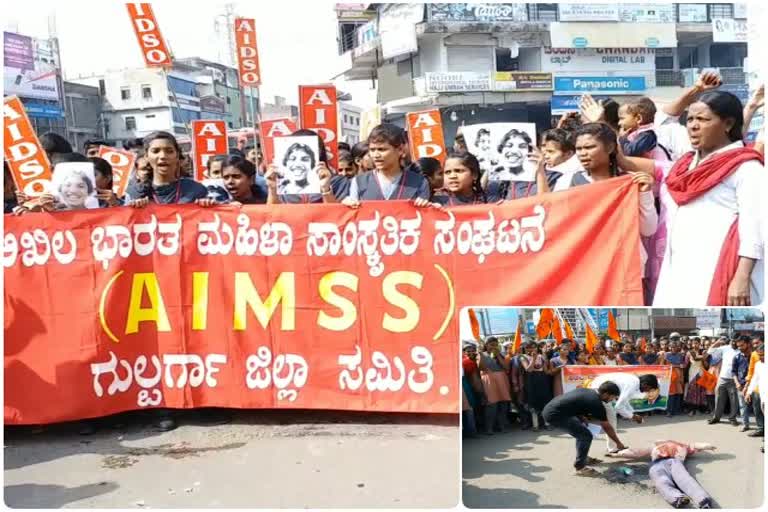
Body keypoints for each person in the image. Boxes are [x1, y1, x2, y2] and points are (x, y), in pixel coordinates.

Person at [654, 91, 764, 307]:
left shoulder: (747, 169)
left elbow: (755, 229)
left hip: (719, 268)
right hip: (679, 268)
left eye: (703, 119)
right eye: (691, 119)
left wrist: (741, 277)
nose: (693, 126)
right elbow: (661, 121)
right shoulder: (683, 166)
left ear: (728, 124)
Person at [542, 383, 627, 476]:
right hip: (555, 415)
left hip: (552, 409)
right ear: (606, 394)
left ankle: (584, 458)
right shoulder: (596, 403)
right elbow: (606, 426)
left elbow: (573, 402)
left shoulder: (588, 392)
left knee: (582, 433)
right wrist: (618, 443)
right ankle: (580, 467)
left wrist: (581, 417)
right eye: (613, 397)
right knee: (585, 436)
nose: (612, 400)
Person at [340, 123, 432, 206]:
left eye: (382, 149)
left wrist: (425, 207)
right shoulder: (359, 182)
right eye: (372, 150)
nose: (376, 155)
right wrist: (347, 207)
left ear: (400, 150)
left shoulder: (419, 182)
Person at [613, 441, 716, 508]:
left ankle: (702, 500)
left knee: (682, 480)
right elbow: (635, 452)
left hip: (672, 462)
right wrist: (617, 454)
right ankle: (679, 498)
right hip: (660, 464)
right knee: (664, 481)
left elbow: (696, 445)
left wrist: (707, 446)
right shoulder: (654, 446)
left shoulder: (682, 445)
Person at [126, 131, 211, 209]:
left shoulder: (196, 190)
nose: (163, 156)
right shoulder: (134, 193)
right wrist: (133, 211)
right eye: (155, 151)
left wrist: (208, 207)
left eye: (169, 151)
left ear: (177, 155)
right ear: (146, 156)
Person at [590, 373, 660, 454]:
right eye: (649, 388)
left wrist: (632, 414)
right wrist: (633, 417)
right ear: (645, 384)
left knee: (611, 419)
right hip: (599, 390)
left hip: (601, 388)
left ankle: (613, 447)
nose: (647, 391)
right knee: (611, 419)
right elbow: (619, 406)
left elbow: (624, 401)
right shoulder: (632, 384)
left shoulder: (634, 382)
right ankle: (614, 447)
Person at [477, 337, 511, 435]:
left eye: (495, 345)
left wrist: (498, 356)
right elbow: (481, 368)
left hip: (501, 379)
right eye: (491, 345)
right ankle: (489, 428)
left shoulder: (500, 355)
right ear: (486, 345)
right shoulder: (481, 354)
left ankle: (502, 426)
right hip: (489, 380)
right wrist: (481, 355)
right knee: (491, 405)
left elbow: (506, 367)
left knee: (503, 404)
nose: (493, 347)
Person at [519, 341, 553, 432]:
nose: (532, 349)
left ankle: (547, 423)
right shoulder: (523, 357)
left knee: (545, 402)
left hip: (542, 380)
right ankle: (535, 425)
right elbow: (528, 369)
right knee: (533, 403)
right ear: (525, 349)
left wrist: (545, 355)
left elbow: (546, 370)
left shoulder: (541, 356)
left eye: (534, 347)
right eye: (529, 347)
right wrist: (533, 359)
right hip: (531, 381)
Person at [707, 336, 740, 426]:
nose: (733, 343)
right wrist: (717, 342)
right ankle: (716, 417)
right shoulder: (725, 348)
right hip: (722, 378)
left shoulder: (740, 351)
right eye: (732, 341)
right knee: (718, 398)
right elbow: (710, 351)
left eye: (735, 342)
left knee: (734, 400)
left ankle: (732, 418)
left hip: (734, 379)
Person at [733, 336, 753, 432]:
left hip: (754, 385)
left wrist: (747, 385)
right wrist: (737, 383)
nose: (740, 347)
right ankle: (745, 424)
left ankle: (762, 428)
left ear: (748, 344)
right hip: (740, 385)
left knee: (759, 407)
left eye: (742, 345)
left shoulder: (756, 355)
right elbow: (733, 372)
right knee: (742, 406)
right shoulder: (737, 357)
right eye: (738, 346)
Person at [662, 340, 686, 417]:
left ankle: (677, 410)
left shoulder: (680, 355)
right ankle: (669, 411)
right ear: (669, 347)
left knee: (678, 394)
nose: (673, 348)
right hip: (670, 376)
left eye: (674, 347)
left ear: (677, 347)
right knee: (671, 394)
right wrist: (677, 366)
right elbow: (666, 365)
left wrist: (682, 376)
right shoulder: (666, 355)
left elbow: (682, 366)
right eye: (671, 347)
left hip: (678, 376)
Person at [745, 341, 765, 438]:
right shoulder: (758, 364)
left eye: (763, 355)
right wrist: (748, 392)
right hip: (760, 393)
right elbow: (754, 379)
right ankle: (761, 430)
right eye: (759, 355)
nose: (760, 358)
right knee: (758, 411)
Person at [685, 339, 708, 416]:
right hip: (693, 373)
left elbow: (706, 365)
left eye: (696, 343)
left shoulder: (703, 352)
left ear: (699, 344)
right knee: (692, 391)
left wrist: (704, 359)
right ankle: (692, 409)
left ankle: (701, 409)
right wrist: (703, 357)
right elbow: (691, 361)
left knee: (701, 391)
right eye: (693, 344)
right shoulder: (689, 352)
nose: (695, 345)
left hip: (701, 372)